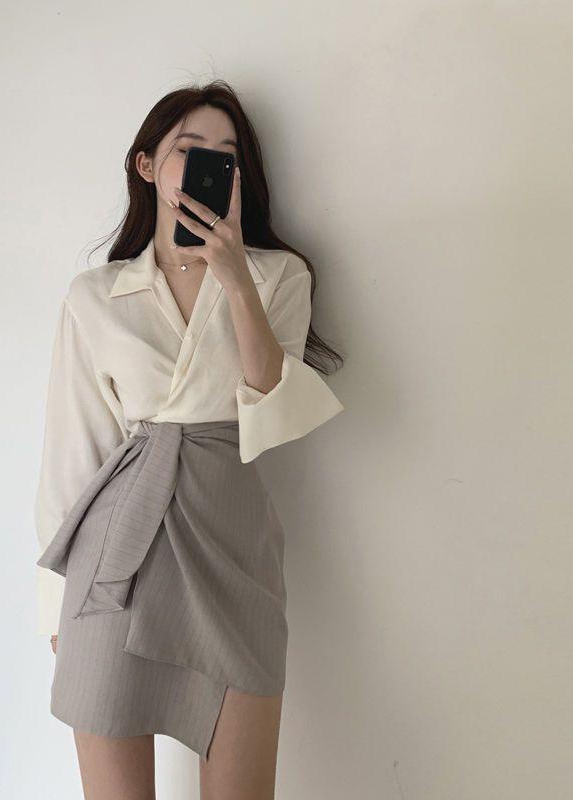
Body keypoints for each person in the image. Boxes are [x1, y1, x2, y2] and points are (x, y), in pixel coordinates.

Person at [34, 79, 345, 799]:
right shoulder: (96, 295)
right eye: (189, 149)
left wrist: (234, 279)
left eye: (225, 156)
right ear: (147, 165)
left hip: (231, 548)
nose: (210, 165)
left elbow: (271, 412)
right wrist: (54, 607)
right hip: (113, 562)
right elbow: (73, 453)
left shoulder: (278, 276)